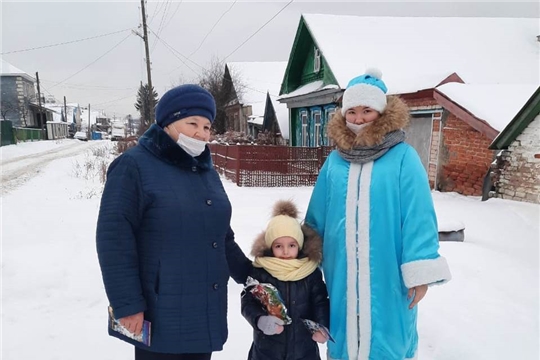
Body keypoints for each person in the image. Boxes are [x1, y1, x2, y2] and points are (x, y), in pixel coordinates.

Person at [96, 84, 251, 360]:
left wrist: (252, 275)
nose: (200, 133)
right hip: (160, 310)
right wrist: (128, 304)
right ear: (167, 122)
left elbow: (220, 237)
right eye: (192, 122)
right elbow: (115, 239)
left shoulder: (206, 171)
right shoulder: (133, 166)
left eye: (207, 126)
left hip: (204, 308)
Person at [305, 68, 452, 360]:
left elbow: (418, 217)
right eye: (352, 112)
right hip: (341, 270)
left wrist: (420, 272)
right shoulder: (335, 162)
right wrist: (303, 255)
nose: (358, 119)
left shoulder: (403, 157)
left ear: (381, 112)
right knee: (344, 332)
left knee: (388, 335)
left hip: (389, 270)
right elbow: (316, 216)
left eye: (367, 110)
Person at [241, 200, 330, 360]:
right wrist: (260, 320)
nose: (285, 251)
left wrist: (322, 326)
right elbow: (248, 302)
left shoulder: (310, 272)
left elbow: (320, 302)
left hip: (304, 352)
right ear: (270, 246)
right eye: (278, 246)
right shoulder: (261, 270)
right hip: (267, 352)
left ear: (300, 245)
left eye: (291, 245)